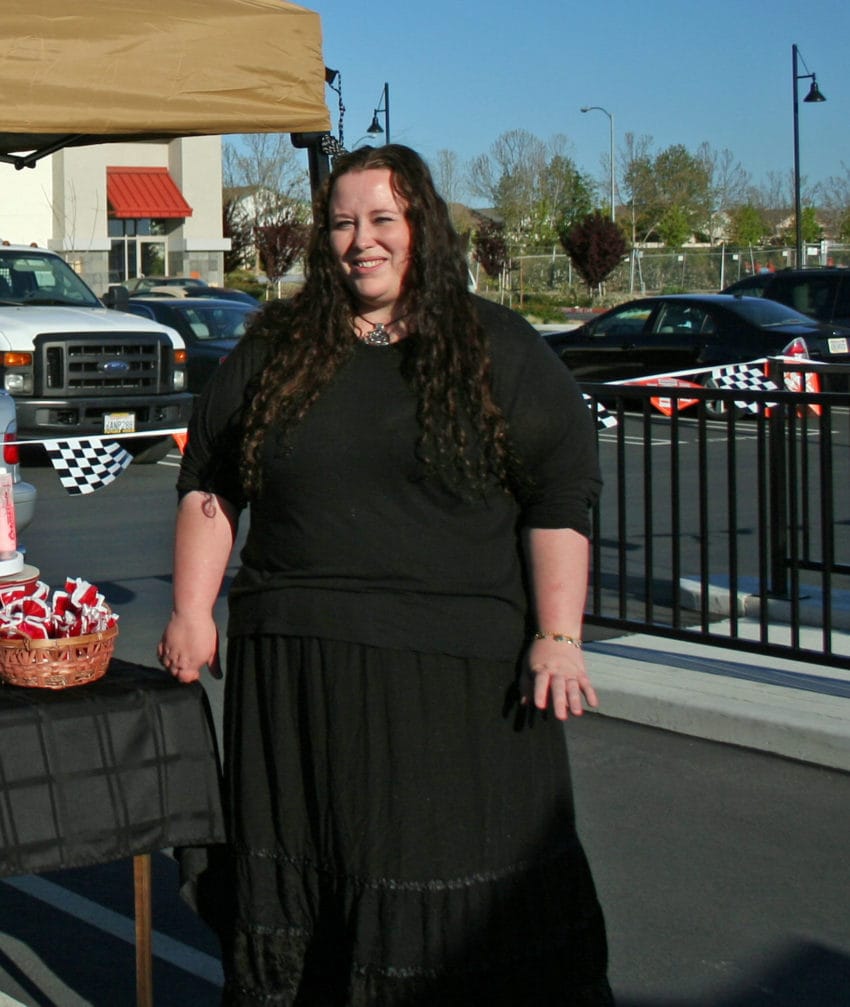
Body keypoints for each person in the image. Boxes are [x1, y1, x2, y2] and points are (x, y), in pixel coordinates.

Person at [158, 143, 614, 1006]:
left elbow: (559, 490)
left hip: (454, 682)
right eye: (341, 222)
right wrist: (192, 610)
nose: (359, 240)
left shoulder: (495, 346)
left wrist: (559, 635)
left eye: (381, 220)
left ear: (421, 229)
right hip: (296, 675)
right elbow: (210, 481)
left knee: (452, 888)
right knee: (320, 893)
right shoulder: (277, 348)